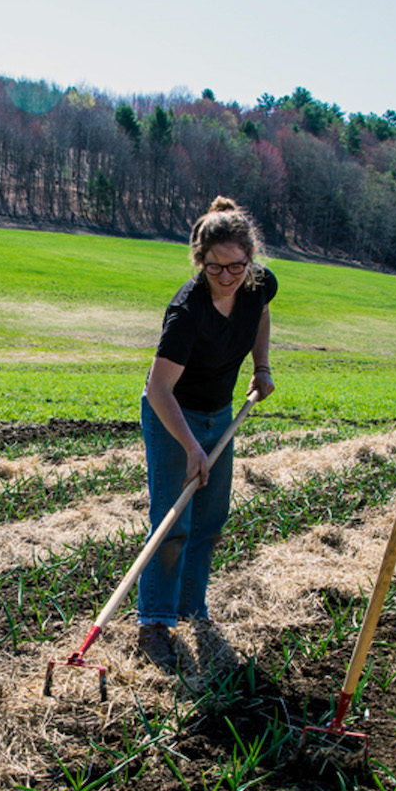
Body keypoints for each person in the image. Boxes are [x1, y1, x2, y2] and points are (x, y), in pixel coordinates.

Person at [137, 196, 276, 666]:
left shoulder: (258, 285)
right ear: (200, 262)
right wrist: (192, 447)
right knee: (174, 521)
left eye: (235, 267)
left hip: (220, 413)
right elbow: (159, 389)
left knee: (211, 520)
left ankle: (193, 609)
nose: (226, 278)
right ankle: (154, 622)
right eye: (214, 269)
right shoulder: (187, 311)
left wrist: (262, 365)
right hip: (174, 414)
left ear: (250, 258)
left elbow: (260, 315)